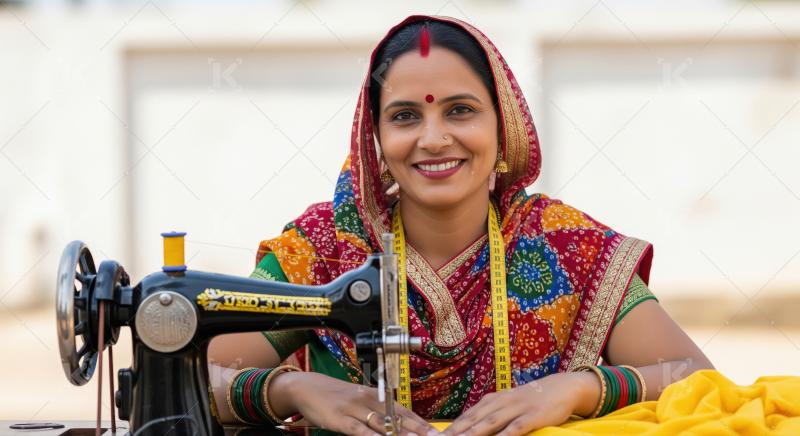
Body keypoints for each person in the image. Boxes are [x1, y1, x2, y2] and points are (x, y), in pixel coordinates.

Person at [208, 15, 714, 436]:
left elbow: (695, 376)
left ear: (503, 124)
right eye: (405, 117)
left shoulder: (564, 245)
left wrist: (577, 389)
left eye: (461, 111)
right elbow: (186, 378)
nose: (433, 138)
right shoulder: (326, 246)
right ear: (376, 137)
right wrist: (292, 389)